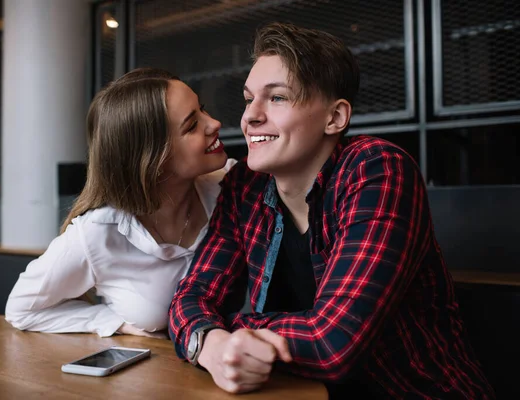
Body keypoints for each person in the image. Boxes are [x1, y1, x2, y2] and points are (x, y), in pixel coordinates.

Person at [169, 22, 494, 398]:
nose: (250, 117)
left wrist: (227, 328)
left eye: (277, 98)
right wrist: (209, 344)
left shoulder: (377, 170)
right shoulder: (245, 185)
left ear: (335, 118)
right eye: (248, 99)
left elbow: (333, 342)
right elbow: (191, 297)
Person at [5, 68, 234, 339]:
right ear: (152, 157)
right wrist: (115, 323)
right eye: (192, 125)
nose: (215, 123)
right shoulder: (96, 233)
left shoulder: (231, 187)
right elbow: (21, 310)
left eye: (203, 110)